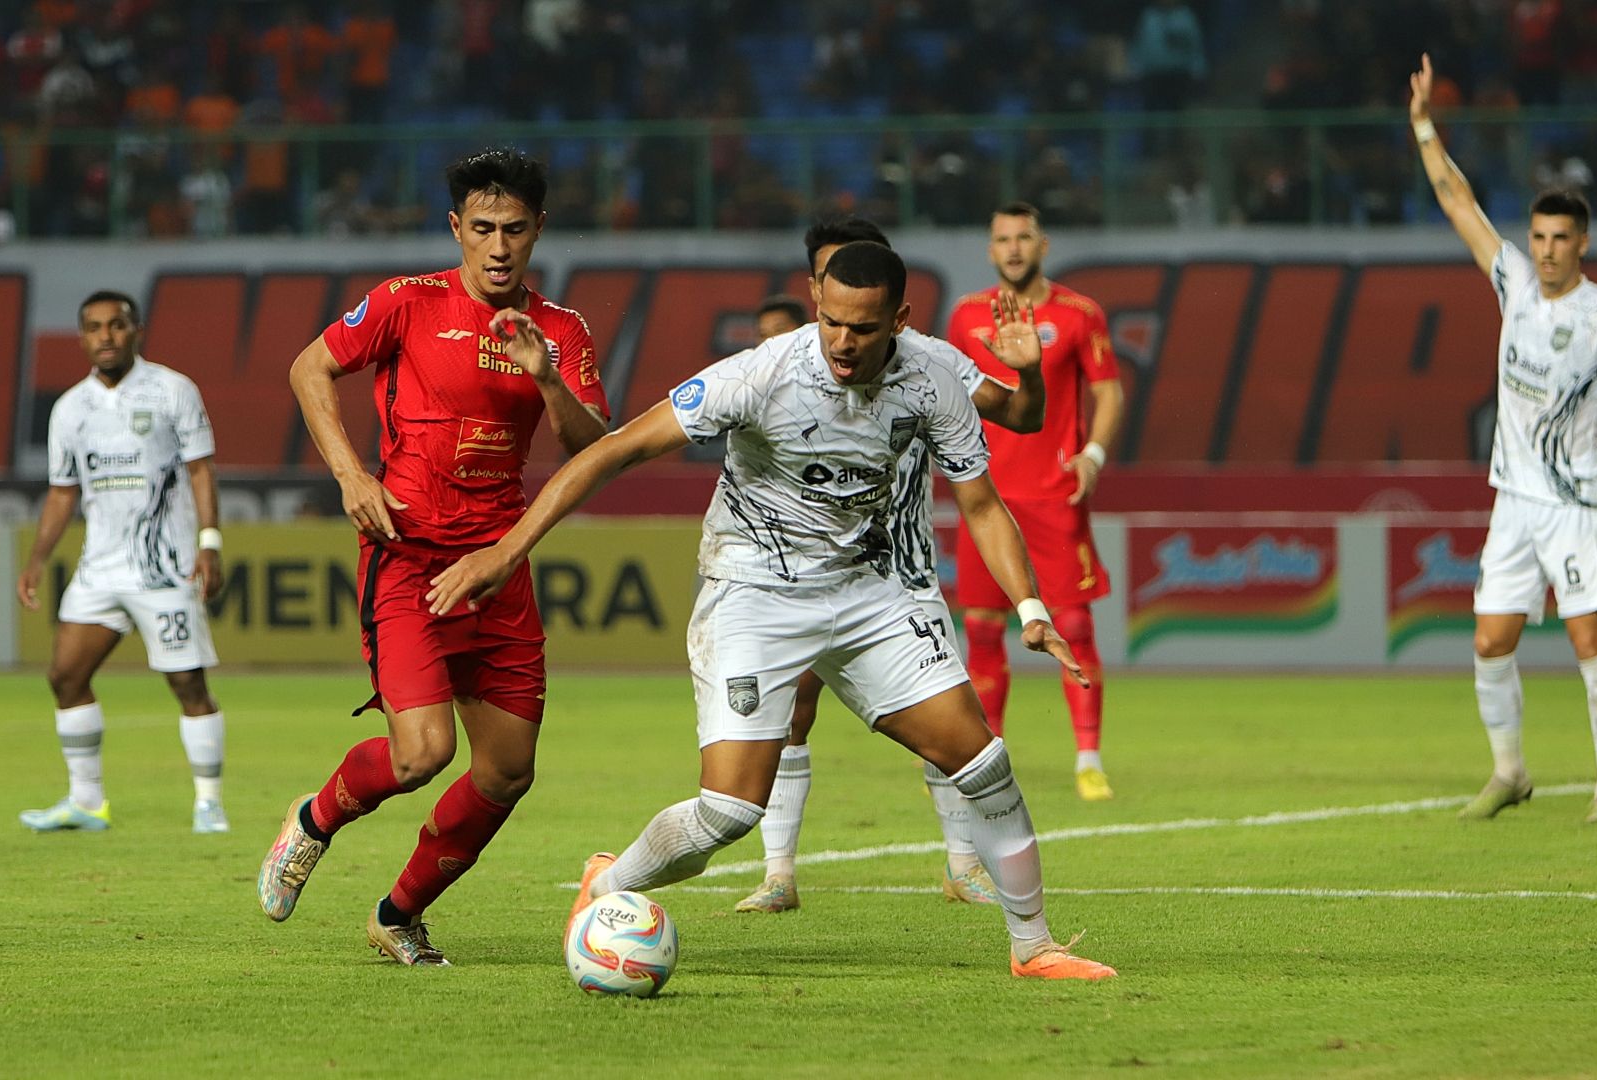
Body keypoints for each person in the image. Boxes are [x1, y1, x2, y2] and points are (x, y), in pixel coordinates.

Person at [431, 241, 1118, 981]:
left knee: (983, 762)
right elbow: (614, 451)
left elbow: (981, 504)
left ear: (900, 320)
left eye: (863, 327)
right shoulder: (761, 374)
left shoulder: (933, 375)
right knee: (727, 814)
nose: (843, 343)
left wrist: (1030, 605)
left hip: (870, 593)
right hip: (754, 593)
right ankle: (605, 884)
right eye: (831, 323)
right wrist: (507, 550)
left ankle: (1034, 946)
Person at [258, 149, 609, 966]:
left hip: (499, 565)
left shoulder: (560, 330)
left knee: (507, 773)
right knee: (423, 754)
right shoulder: (406, 304)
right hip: (408, 557)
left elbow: (598, 451)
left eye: (514, 230)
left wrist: (549, 382)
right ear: (456, 228)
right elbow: (309, 367)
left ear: (538, 231)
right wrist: (350, 475)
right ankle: (316, 819)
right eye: (481, 228)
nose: (497, 247)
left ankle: (398, 914)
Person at [735, 216, 1048, 916]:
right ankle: (779, 872)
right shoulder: (785, 361)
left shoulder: (933, 364)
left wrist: (1027, 370)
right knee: (793, 712)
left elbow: (1021, 417)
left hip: (897, 570)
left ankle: (964, 865)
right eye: (822, 278)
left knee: (949, 725)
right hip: (800, 572)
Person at [1409, 55, 1597, 824]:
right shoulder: (1514, 285)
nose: (1547, 249)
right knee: (1491, 641)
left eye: (1560, 238)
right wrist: (1424, 123)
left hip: (1577, 498)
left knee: (1590, 639)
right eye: (1539, 237)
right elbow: (1456, 198)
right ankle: (1511, 773)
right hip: (1513, 501)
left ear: (1582, 243)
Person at [16, 291, 228, 834]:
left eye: (115, 325)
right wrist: (38, 557)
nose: (104, 336)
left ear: (137, 331)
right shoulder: (70, 408)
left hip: (165, 566)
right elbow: (63, 492)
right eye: (93, 327)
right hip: (100, 569)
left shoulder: (172, 390)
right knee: (65, 676)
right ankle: (86, 802)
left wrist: (210, 542)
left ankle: (209, 803)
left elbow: (201, 470)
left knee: (188, 686)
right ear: (82, 337)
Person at [946, 202, 1126, 801]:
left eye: (1024, 236)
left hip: (1054, 493)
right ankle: (983, 763)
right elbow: (943, 399)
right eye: (1004, 238)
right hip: (984, 495)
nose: (1015, 247)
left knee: (1072, 623)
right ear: (991, 249)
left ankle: (1089, 759)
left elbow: (1109, 392)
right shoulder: (966, 316)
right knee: (981, 630)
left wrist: (1093, 456)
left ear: (1042, 244)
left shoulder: (1080, 315)